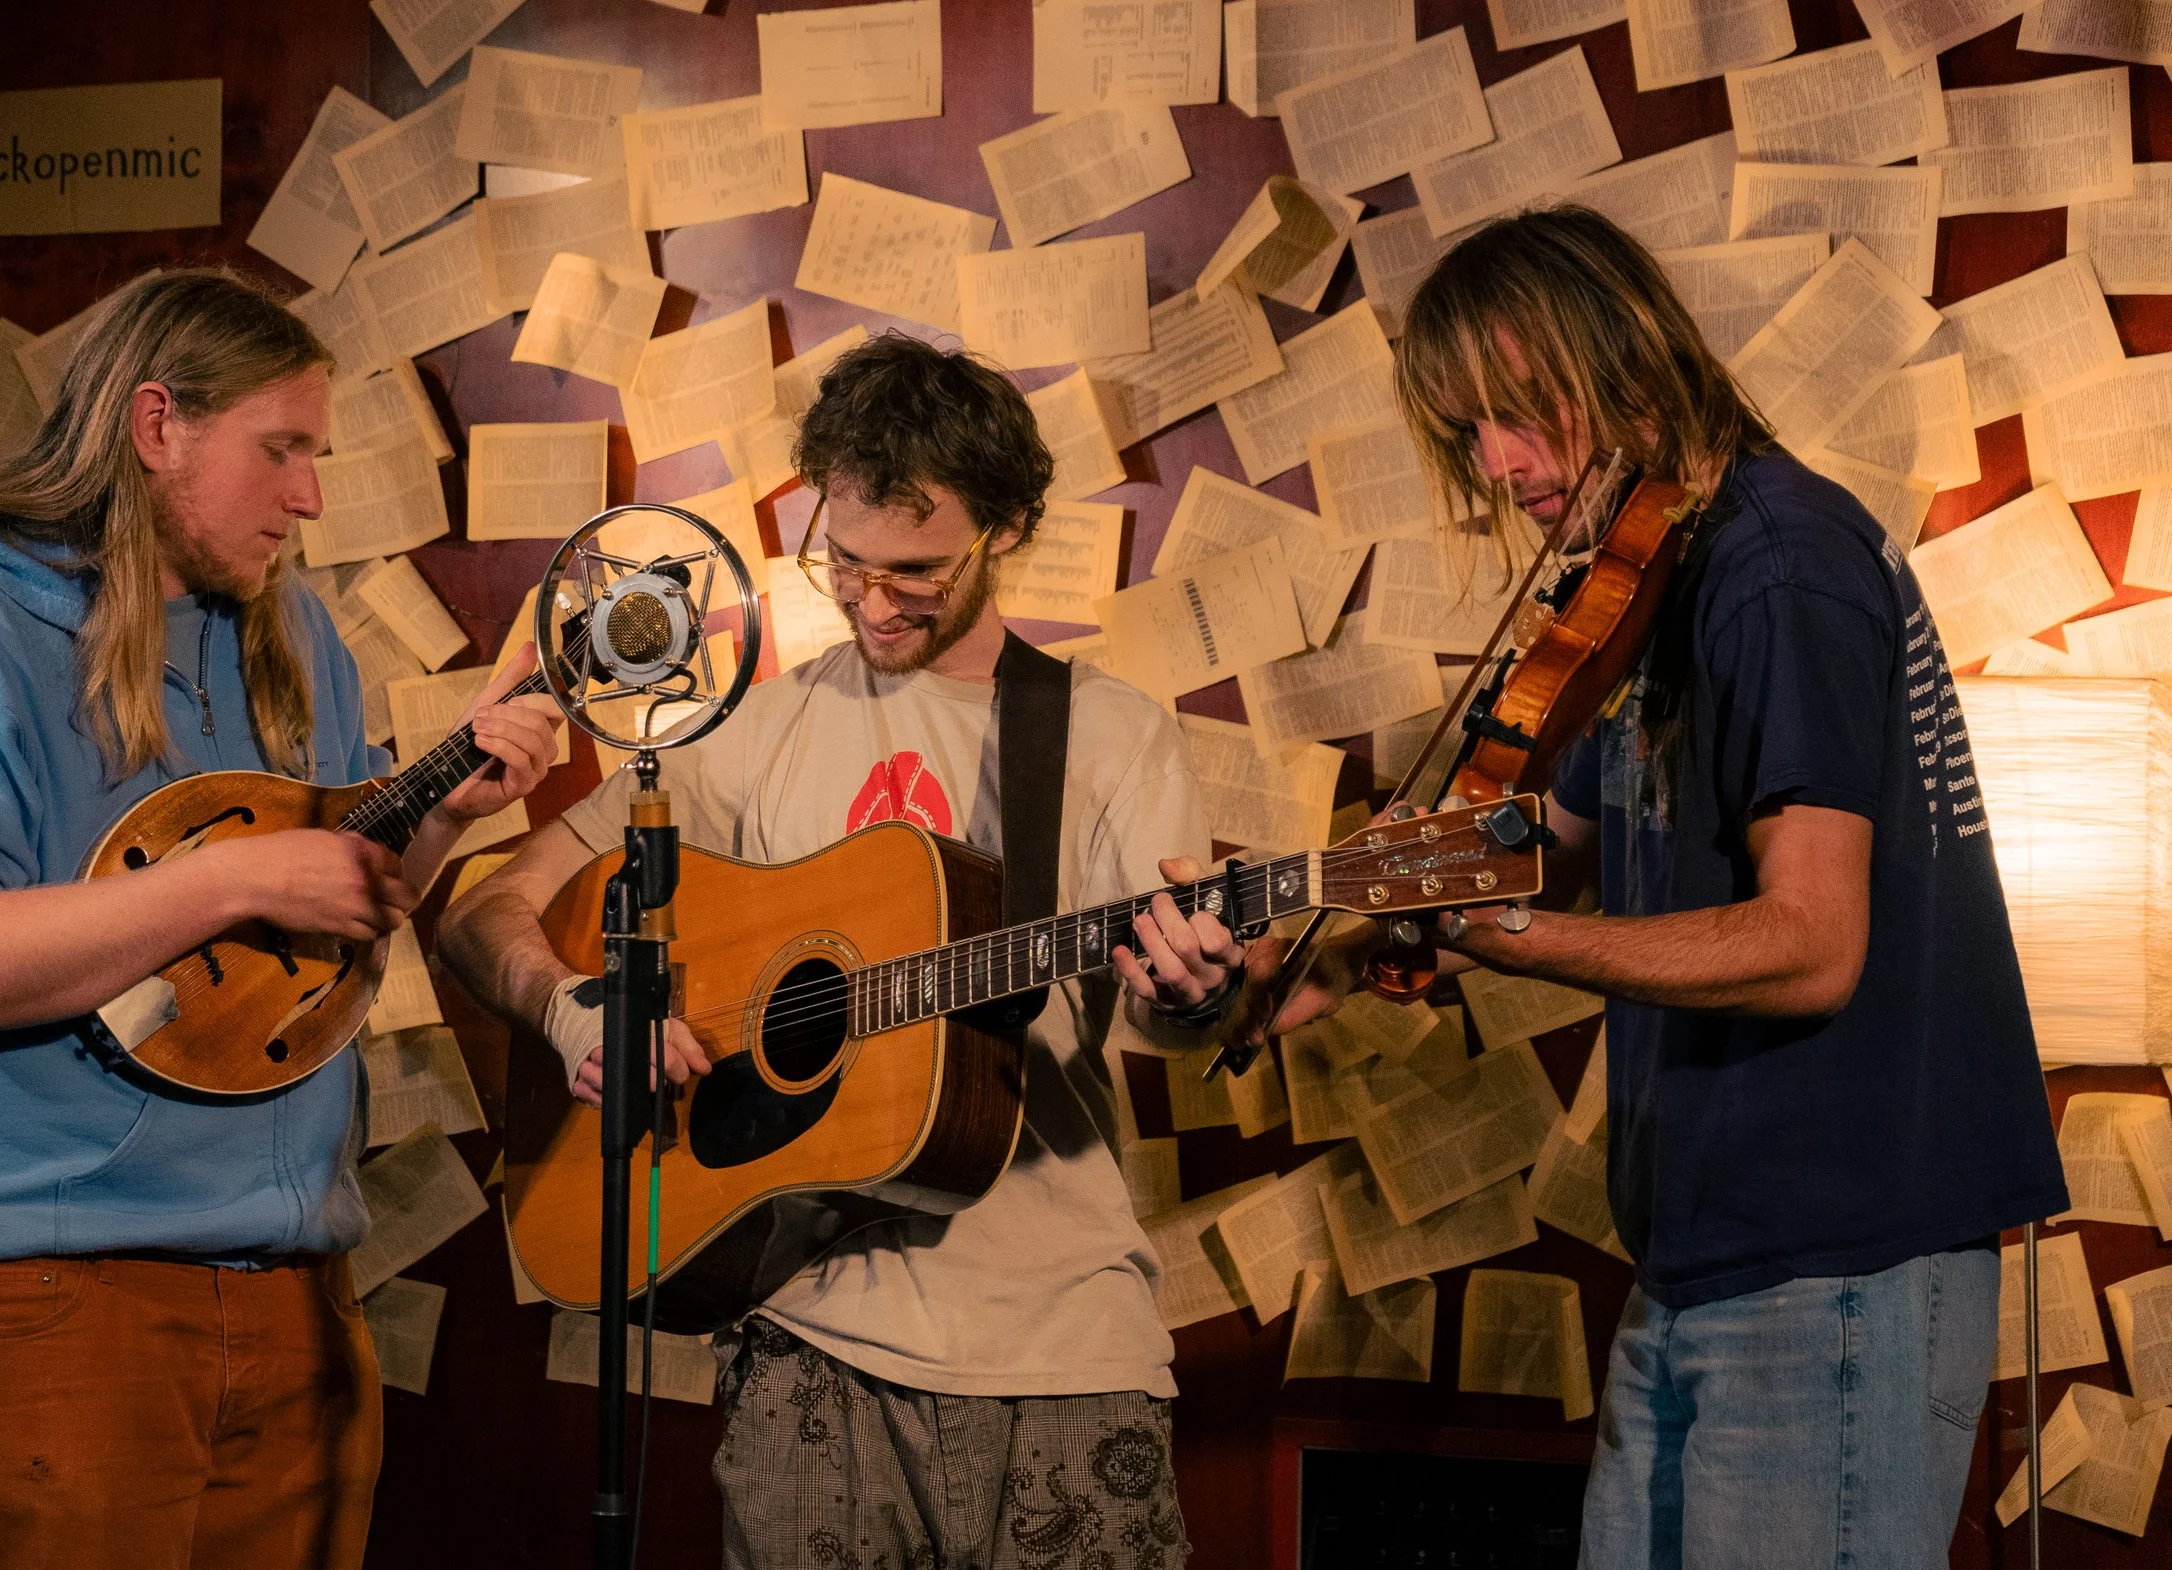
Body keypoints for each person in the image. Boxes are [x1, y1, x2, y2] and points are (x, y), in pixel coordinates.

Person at [1277, 206, 2066, 1566]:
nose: (1503, 465)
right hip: (1708, 1254)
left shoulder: (1777, 565)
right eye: (1470, 430)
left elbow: (1813, 942)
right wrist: (1311, 927)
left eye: (1524, 411)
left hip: (1835, 1268)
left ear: (1629, 355)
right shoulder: (1655, 570)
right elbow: (1552, 835)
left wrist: (1516, 939)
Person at [439, 335, 1269, 1570]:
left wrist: (1201, 987)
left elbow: (1168, 1017)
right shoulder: (746, 732)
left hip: (1063, 1341)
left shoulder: (1107, 736)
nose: (875, 604)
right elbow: (485, 909)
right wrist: (568, 1011)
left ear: (1008, 528)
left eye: (918, 571)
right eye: (847, 563)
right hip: (802, 1341)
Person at [0, 268, 562, 1570]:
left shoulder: (296, 637)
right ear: (157, 425)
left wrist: (450, 807)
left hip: (297, 1287)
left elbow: (327, 929)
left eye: (318, 455)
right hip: (67, 1292)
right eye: (281, 449)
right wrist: (230, 880)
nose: (311, 494)